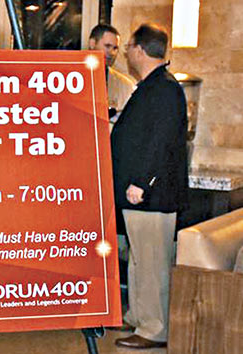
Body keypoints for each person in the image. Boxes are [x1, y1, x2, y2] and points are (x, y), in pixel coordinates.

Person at [111, 24, 188, 350]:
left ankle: (155, 328)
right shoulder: (153, 86)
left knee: (153, 262)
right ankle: (139, 316)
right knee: (140, 258)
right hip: (139, 194)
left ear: (140, 50)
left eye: (129, 46)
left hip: (151, 195)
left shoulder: (165, 89)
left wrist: (142, 183)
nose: (127, 52)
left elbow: (161, 142)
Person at [87, 24, 137, 118]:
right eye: (107, 46)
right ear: (92, 43)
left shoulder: (126, 86)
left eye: (115, 48)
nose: (112, 53)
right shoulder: (70, 79)